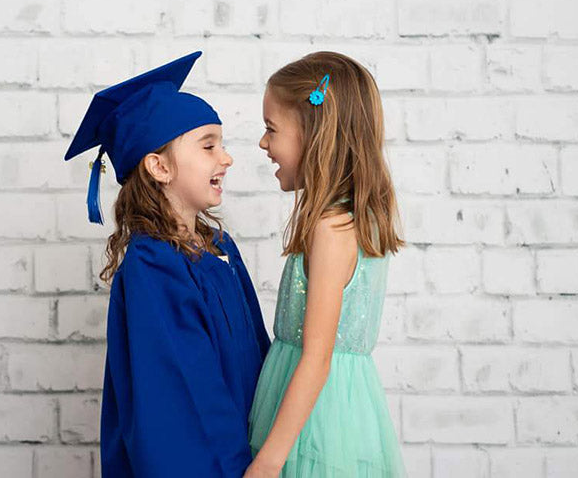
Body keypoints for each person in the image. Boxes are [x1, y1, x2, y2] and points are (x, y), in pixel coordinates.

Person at [64, 51, 271, 477]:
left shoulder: (218, 247)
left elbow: (259, 353)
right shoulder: (153, 266)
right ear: (158, 166)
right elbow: (184, 399)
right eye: (209, 145)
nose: (227, 158)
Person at [245, 52, 407, 477]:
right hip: (337, 413)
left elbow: (317, 359)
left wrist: (268, 460)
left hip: (313, 424)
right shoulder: (357, 219)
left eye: (271, 129)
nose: (263, 144)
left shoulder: (331, 229)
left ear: (313, 135)